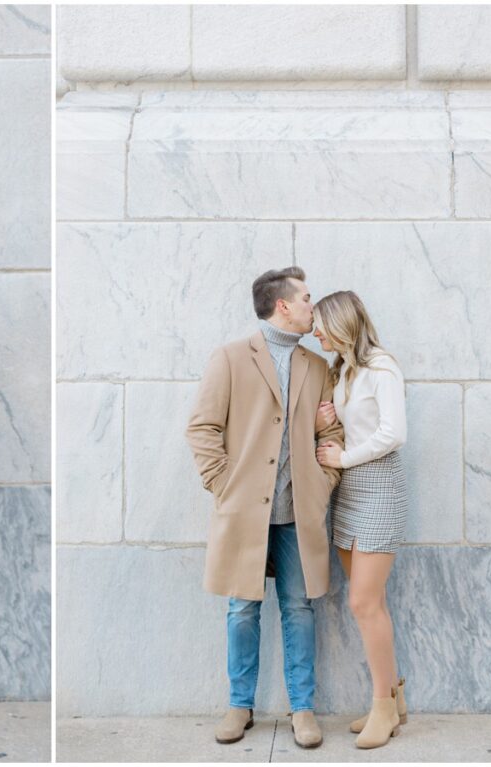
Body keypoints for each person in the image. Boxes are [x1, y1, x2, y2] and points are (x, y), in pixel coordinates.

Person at [186, 266, 344, 749]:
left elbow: (331, 435)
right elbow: (202, 428)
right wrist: (224, 485)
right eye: (307, 299)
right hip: (245, 513)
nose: (312, 308)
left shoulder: (316, 367)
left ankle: (302, 710)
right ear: (283, 306)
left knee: (299, 608)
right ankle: (240, 705)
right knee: (242, 609)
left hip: (298, 513)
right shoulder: (231, 358)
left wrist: (321, 481)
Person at [312, 290, 408, 749]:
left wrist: (346, 455)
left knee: (362, 603)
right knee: (372, 603)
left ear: (341, 324)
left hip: (378, 489)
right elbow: (354, 426)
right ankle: (394, 697)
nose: (315, 333)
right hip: (348, 493)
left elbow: (394, 433)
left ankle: (382, 707)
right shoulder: (344, 370)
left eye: (320, 325)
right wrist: (326, 417)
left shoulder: (381, 367)